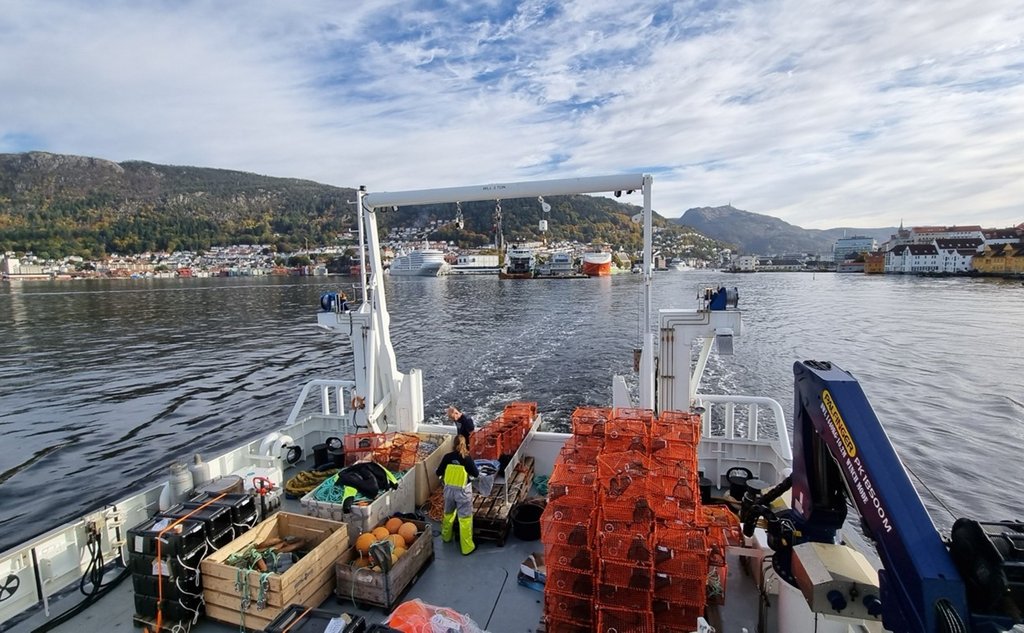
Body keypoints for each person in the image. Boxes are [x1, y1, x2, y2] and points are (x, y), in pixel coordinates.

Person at [436, 435, 479, 555]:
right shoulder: (467, 459)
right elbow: (476, 474)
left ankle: (446, 537)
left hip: (449, 492)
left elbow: (438, 472)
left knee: (448, 514)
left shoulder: (447, 457)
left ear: (453, 444)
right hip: (463, 493)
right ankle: (467, 547)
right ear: (465, 444)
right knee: (465, 519)